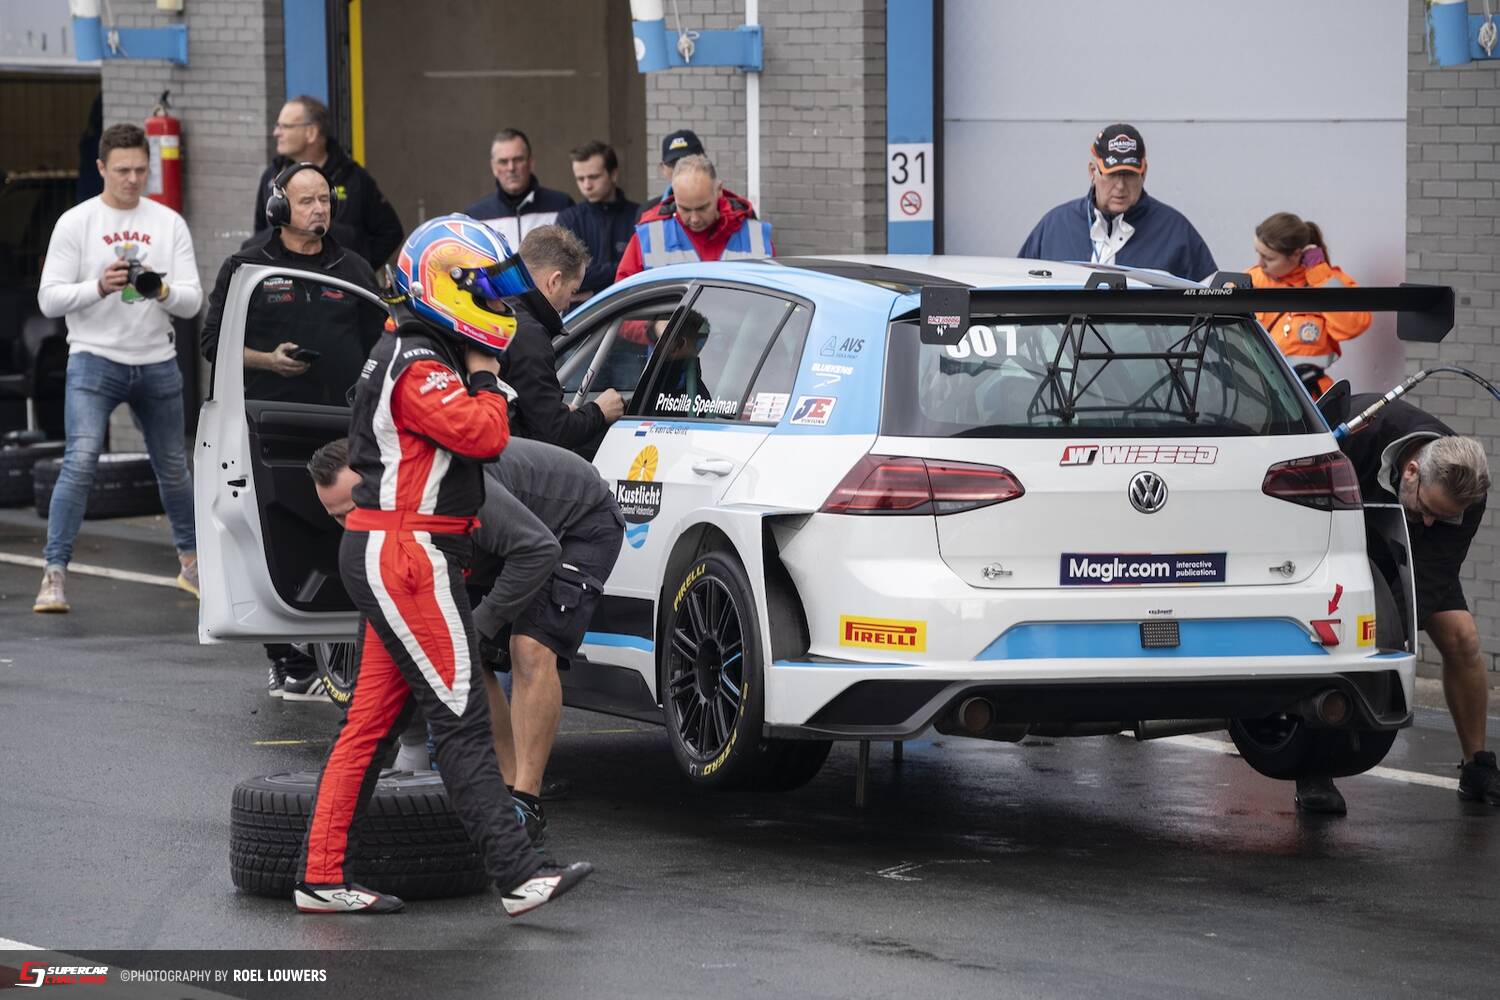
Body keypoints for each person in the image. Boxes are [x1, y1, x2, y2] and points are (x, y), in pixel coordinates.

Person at [290, 214, 592, 916]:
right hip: (409, 554)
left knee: (370, 724)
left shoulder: (410, 349)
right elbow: (484, 436)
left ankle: (321, 875)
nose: (495, 305)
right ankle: (517, 873)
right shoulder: (420, 362)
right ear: (444, 286)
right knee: (460, 717)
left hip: (396, 549)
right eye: (482, 291)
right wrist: (486, 377)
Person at [308, 434, 625, 847]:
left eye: (354, 509)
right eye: (337, 518)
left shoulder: (449, 487)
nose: (351, 525)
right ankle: (505, 788)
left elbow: (538, 550)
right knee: (465, 653)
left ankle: (527, 802)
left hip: (576, 525)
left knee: (528, 647)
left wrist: (485, 621)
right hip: (499, 544)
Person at [205, 161, 381, 700]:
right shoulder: (247, 266)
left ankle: (345, 649)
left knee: (345, 533)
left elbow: (381, 343)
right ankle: (285, 657)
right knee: (276, 534)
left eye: (325, 199)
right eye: (307, 201)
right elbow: (213, 343)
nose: (319, 209)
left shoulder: (353, 267)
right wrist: (267, 360)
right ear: (280, 207)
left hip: (345, 426)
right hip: (272, 425)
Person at [1295, 399, 1498, 814]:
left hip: (1412, 554)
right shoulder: (1360, 432)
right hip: (1336, 542)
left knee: (1462, 638)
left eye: (1444, 517)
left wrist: (1386, 643)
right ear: (1411, 472)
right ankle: (1314, 768)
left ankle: (1477, 766)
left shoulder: (1466, 494)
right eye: (1429, 510)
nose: (1432, 520)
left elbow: (1429, 580)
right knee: (1334, 639)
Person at [33, 123, 202, 613]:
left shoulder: (169, 223)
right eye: (123, 170)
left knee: (173, 467)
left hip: (156, 359)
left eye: (141, 170)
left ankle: (192, 565)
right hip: (93, 356)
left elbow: (193, 301)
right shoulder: (76, 222)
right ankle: (54, 574)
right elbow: (48, 299)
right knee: (81, 459)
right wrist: (99, 286)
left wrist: (160, 289)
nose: (132, 179)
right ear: (101, 168)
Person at [1018, 123, 1217, 281]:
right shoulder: (1055, 226)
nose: (1120, 186)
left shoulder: (1175, 231)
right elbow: (1017, 290)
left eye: (1129, 175)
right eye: (1112, 175)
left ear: (1144, 173)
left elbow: (1213, 300)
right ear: (1092, 172)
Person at [504, 225, 624, 449]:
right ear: (554, 281)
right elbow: (553, 433)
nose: (569, 303)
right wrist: (599, 411)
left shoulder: (499, 313)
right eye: (573, 291)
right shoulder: (528, 336)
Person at [252, 95, 403, 268]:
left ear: (311, 132)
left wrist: (358, 269)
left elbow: (390, 232)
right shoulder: (271, 177)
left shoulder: (354, 177)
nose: (276, 133)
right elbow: (261, 234)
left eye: (285, 126)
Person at [1248, 212, 1371, 395]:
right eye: (1259, 254)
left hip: (1309, 396)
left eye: (1269, 258)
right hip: (1259, 393)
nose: (1260, 263)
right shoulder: (1252, 279)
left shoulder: (1326, 280)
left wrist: (1319, 276)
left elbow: (1354, 325)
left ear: (1296, 255)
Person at [615, 155, 772, 281]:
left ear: (718, 190)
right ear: (674, 196)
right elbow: (624, 297)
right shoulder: (650, 236)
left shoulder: (755, 235)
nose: (695, 219)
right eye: (685, 209)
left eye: (702, 208)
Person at [464, 128, 574, 249]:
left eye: (518, 160)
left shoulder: (561, 206)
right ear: (494, 167)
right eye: (503, 162)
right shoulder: (476, 217)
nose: (511, 168)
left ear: (531, 163)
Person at [555, 140, 639, 298]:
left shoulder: (639, 216)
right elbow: (566, 276)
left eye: (593, 177)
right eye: (580, 179)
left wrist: (593, 291)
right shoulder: (569, 219)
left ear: (613, 174)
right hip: (584, 314)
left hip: (631, 308)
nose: (587, 185)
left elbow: (644, 272)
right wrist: (622, 268)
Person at [634, 128, 706, 223]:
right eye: (674, 164)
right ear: (663, 168)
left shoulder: (723, 206)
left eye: (689, 162)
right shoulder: (647, 213)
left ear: (705, 162)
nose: (682, 169)